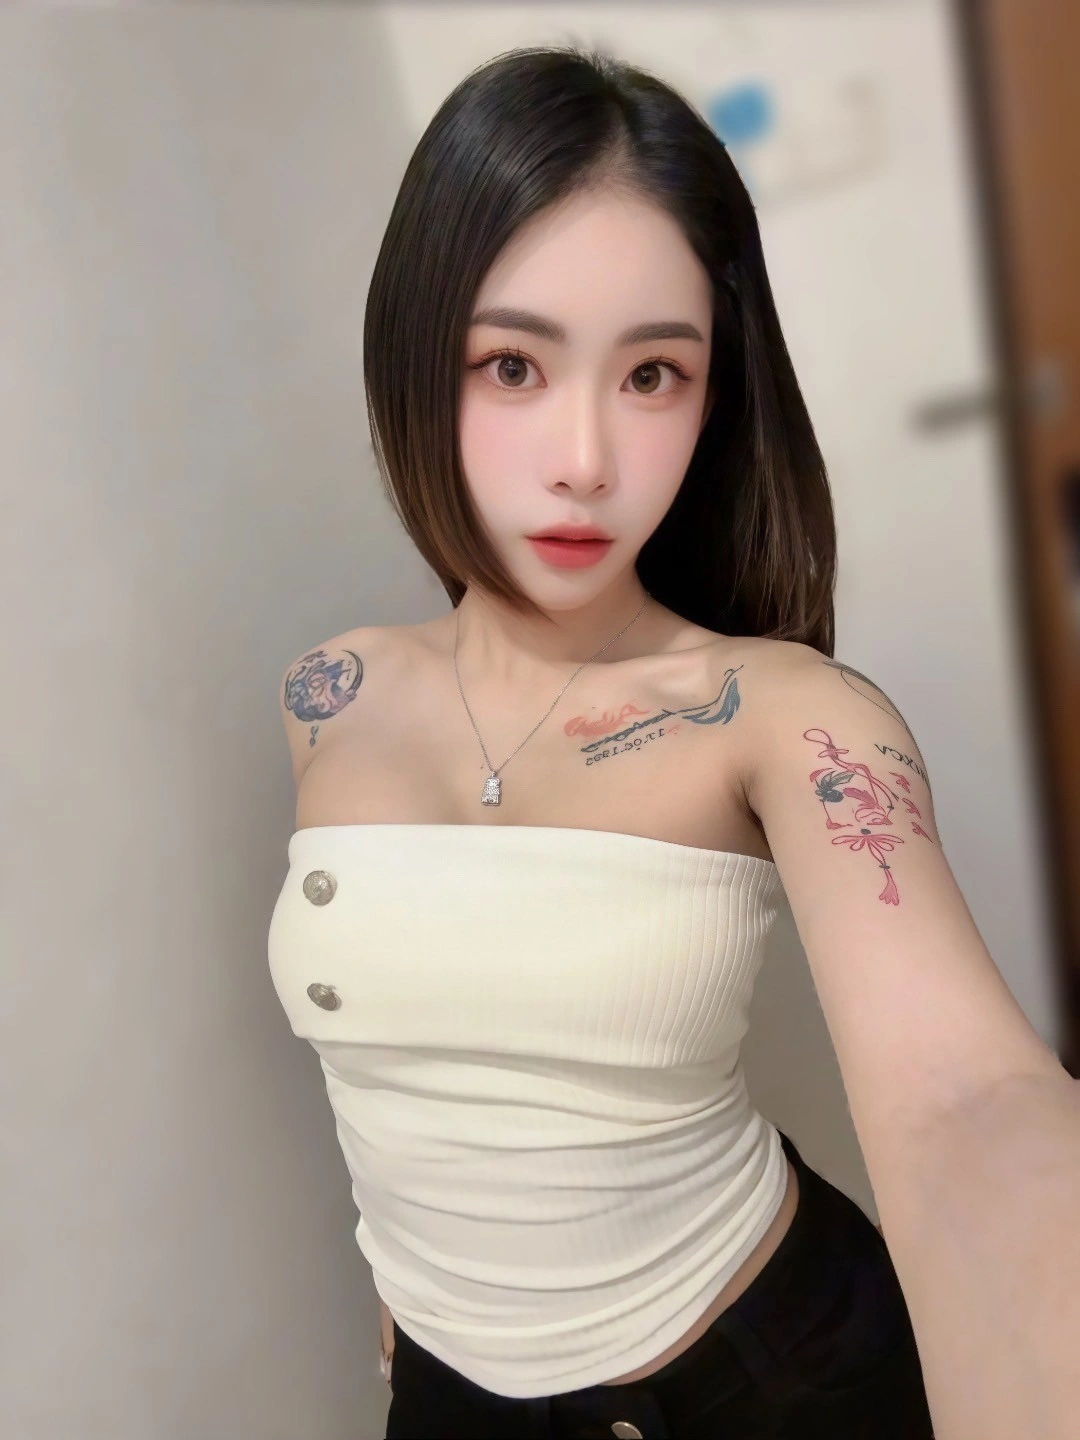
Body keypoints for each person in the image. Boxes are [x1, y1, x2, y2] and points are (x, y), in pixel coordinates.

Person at [267, 44, 1078, 1440]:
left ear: (715, 398)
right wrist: (406, 1316)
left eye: (653, 375)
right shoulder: (326, 695)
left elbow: (966, 1097)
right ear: (413, 362)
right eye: (512, 364)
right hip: (448, 1392)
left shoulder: (789, 711)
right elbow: (396, 1078)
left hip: (761, 1379)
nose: (586, 459)